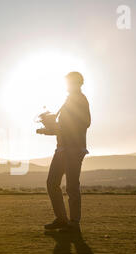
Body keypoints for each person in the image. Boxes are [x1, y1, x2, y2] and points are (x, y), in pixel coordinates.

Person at [44, 71, 91, 233]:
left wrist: (57, 127)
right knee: (52, 183)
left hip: (73, 148)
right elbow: (67, 127)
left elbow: (85, 123)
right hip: (63, 148)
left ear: (77, 83)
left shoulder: (79, 99)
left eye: (69, 82)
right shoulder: (69, 100)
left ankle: (73, 223)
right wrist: (50, 130)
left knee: (71, 186)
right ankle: (63, 219)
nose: (67, 85)